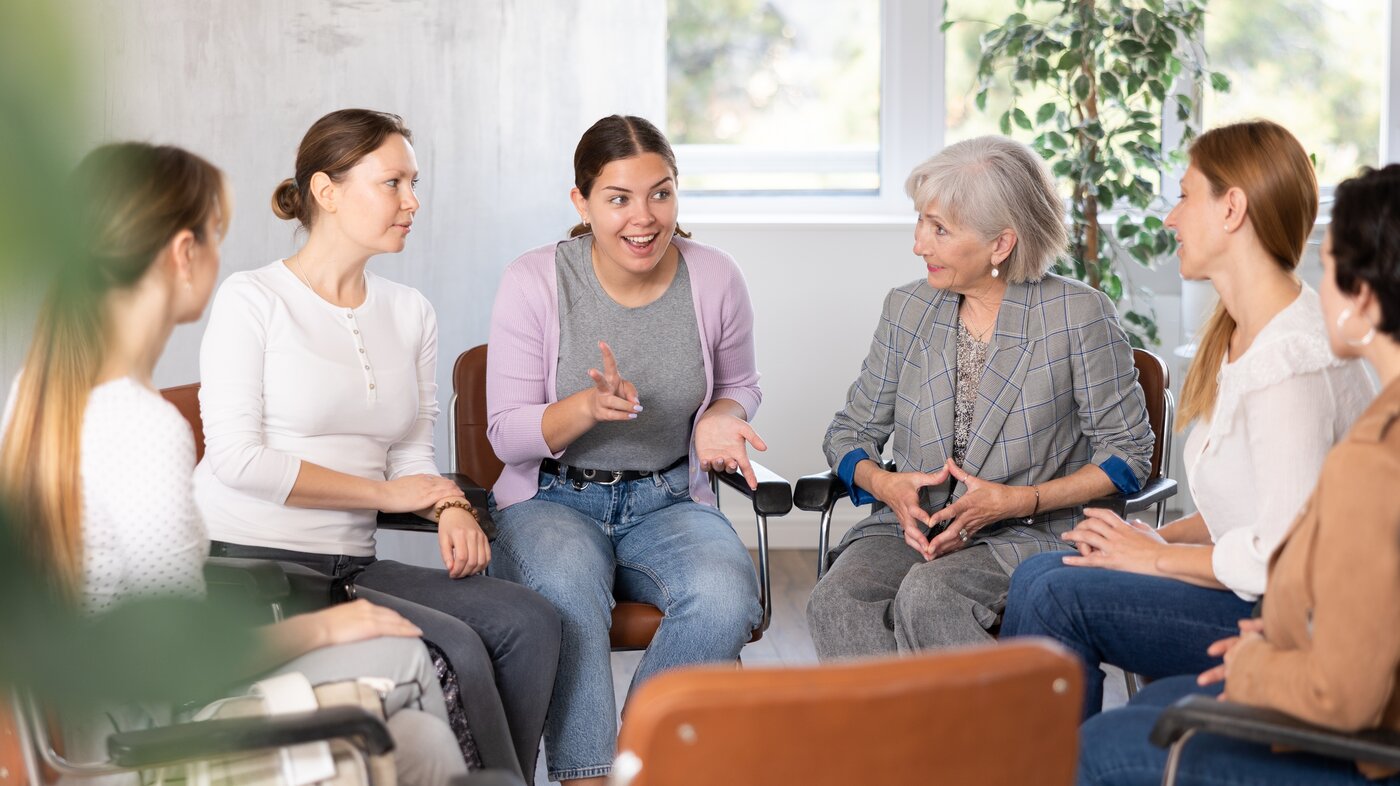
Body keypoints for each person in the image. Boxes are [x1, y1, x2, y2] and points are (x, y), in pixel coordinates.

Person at [0, 142, 467, 786]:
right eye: (215, 237)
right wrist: (326, 628)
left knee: (418, 739)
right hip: (144, 745)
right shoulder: (141, 427)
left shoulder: (37, 393)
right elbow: (176, 663)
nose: (220, 259)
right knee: (404, 666)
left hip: (91, 729)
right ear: (183, 254)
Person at [191, 109, 560, 783]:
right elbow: (235, 460)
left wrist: (448, 507)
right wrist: (386, 496)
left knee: (530, 622)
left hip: (348, 567)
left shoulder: (409, 310)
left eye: (413, 182)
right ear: (328, 192)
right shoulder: (252, 300)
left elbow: (410, 453)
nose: (412, 201)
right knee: (458, 650)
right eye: (393, 182)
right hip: (252, 570)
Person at [1000, 120, 1374, 719]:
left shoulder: (1288, 361)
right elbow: (1259, 503)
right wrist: (1150, 539)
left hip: (1288, 621)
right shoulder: (1244, 332)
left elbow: (1276, 558)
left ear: (1232, 209)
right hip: (1248, 589)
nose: (1170, 219)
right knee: (1047, 568)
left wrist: (1152, 557)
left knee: (1056, 594)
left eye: (1183, 195)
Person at [1076, 163, 1400, 785]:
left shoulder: (1374, 456)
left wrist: (1257, 662)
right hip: (1319, 667)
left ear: (1360, 295)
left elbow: (1344, 695)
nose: (1316, 286)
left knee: (1098, 746)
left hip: (1370, 748)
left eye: (1328, 266)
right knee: (1147, 705)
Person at [484, 114, 765, 785]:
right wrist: (583, 408)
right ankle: (587, 776)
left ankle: (638, 766)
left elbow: (740, 386)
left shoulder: (714, 277)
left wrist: (721, 419)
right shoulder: (535, 281)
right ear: (581, 202)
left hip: (668, 499)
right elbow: (506, 432)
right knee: (565, 595)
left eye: (661, 193)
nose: (644, 218)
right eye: (618, 198)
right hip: (553, 498)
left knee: (728, 599)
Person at [805, 135, 1156, 657]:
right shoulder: (908, 308)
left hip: (1033, 531)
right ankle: (892, 741)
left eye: (940, 229)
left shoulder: (1078, 315)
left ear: (1001, 244)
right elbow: (850, 431)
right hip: (917, 526)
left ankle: (978, 736)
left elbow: (1129, 455)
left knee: (930, 596)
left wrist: (1019, 499)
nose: (919, 244)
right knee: (837, 601)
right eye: (921, 221)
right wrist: (886, 485)